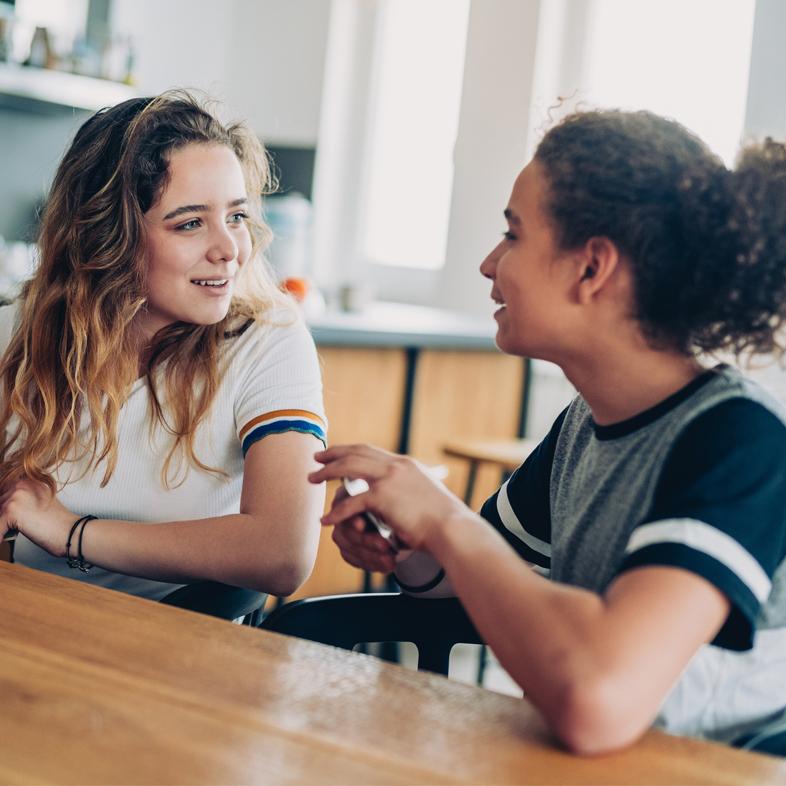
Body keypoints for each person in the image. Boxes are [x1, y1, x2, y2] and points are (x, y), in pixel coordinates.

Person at [309, 110, 786, 754]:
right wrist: (411, 546)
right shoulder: (584, 424)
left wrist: (448, 522)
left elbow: (600, 700)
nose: (487, 264)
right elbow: (483, 573)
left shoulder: (742, 440)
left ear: (591, 269)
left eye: (512, 235)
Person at [0, 91, 326, 602]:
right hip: (35, 627)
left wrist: (71, 534)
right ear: (109, 234)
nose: (229, 251)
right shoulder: (17, 330)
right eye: (191, 223)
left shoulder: (268, 341)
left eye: (236, 217)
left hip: (188, 649)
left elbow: (283, 553)